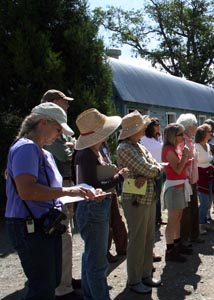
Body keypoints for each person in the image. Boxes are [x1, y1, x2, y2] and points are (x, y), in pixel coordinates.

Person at [5, 102, 95, 300]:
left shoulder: (43, 152)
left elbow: (46, 190)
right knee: (42, 287)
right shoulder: (27, 148)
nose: (59, 136)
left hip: (45, 225)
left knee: (49, 283)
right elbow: (27, 190)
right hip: (29, 226)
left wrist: (73, 192)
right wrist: (69, 190)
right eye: (58, 129)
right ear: (43, 123)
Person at [73, 108, 126, 300]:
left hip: (93, 207)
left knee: (91, 257)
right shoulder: (87, 154)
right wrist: (118, 178)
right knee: (97, 263)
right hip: (92, 208)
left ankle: (91, 295)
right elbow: (91, 185)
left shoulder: (92, 151)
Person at [40, 89, 82, 300]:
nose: (67, 106)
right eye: (65, 103)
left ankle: (65, 278)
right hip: (58, 188)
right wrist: (73, 148)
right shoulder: (49, 128)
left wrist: (71, 148)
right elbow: (64, 156)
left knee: (66, 235)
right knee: (63, 236)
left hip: (63, 185)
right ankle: (62, 287)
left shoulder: (50, 127)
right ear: (55, 103)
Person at [116, 111, 163, 295]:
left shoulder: (138, 146)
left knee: (148, 238)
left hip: (148, 197)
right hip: (136, 199)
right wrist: (153, 171)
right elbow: (149, 168)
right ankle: (134, 280)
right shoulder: (125, 148)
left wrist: (153, 171)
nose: (145, 128)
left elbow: (155, 167)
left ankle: (145, 275)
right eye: (142, 126)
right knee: (137, 239)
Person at [162, 123, 193, 262]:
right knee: (172, 220)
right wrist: (186, 156)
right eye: (180, 134)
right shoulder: (168, 150)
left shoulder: (174, 149)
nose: (183, 136)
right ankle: (170, 250)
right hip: (174, 188)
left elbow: (178, 168)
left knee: (178, 217)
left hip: (179, 186)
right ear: (173, 136)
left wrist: (186, 160)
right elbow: (178, 170)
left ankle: (177, 244)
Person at [177, 114, 202, 243]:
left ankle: (193, 235)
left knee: (193, 208)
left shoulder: (189, 140)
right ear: (188, 126)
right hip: (186, 179)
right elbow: (182, 160)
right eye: (195, 124)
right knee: (187, 210)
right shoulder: (182, 140)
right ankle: (185, 239)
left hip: (192, 178)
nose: (196, 127)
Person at [100, 142, 128, 263]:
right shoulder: (89, 148)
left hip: (111, 187)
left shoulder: (104, 145)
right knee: (107, 222)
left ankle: (122, 247)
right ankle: (105, 252)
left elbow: (107, 164)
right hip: (103, 189)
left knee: (117, 218)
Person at [141, 118, 165, 226]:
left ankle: (158, 218)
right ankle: (152, 219)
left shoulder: (159, 137)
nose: (158, 126)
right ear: (150, 126)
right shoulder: (144, 139)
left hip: (160, 169)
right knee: (151, 195)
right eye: (156, 124)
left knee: (158, 194)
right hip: (150, 170)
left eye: (159, 124)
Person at [195, 124, 214, 234]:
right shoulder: (196, 146)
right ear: (203, 133)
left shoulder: (208, 146)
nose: (211, 133)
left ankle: (204, 222)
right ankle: (200, 225)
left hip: (209, 175)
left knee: (209, 201)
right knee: (204, 202)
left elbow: (209, 160)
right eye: (209, 131)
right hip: (200, 176)